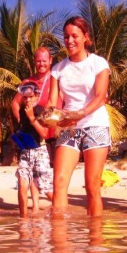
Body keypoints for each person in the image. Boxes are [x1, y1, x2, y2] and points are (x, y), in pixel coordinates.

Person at [47, 16, 111, 217]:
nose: (69, 40)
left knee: (92, 186)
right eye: (66, 36)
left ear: (85, 37)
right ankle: (60, 244)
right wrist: (51, 116)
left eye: (74, 36)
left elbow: (101, 97)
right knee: (59, 182)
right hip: (69, 127)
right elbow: (51, 103)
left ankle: (95, 243)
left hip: (96, 125)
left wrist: (78, 114)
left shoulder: (98, 63)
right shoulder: (57, 69)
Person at [11, 47, 60, 166]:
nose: (41, 64)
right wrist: (22, 121)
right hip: (34, 137)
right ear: (34, 61)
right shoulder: (28, 82)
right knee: (33, 176)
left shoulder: (56, 81)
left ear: (50, 60)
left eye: (44, 60)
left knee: (54, 175)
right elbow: (15, 103)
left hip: (53, 134)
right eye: (38, 61)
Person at [14, 82, 53, 217]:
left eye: (31, 97)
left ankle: (61, 209)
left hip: (40, 152)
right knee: (22, 185)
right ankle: (23, 221)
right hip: (25, 151)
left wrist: (32, 118)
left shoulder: (40, 110)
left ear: (37, 96)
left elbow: (44, 134)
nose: (28, 100)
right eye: (25, 98)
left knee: (45, 187)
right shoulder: (21, 111)